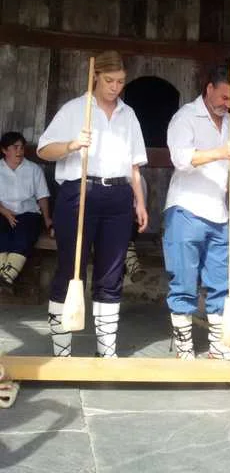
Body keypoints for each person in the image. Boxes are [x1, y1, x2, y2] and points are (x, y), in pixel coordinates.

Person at [37, 50, 148, 358]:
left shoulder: (128, 114)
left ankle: (106, 353)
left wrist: (139, 202)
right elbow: (44, 149)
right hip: (79, 192)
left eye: (120, 81)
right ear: (95, 76)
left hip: (118, 196)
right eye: (109, 80)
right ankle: (62, 352)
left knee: (111, 274)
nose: (115, 87)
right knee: (70, 269)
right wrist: (72, 144)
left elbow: (134, 165)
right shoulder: (75, 109)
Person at [163, 63, 230, 361]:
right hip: (186, 207)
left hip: (218, 211)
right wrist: (221, 151)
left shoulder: (229, 121)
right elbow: (181, 159)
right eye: (224, 97)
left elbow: (228, 168)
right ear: (209, 88)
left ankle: (218, 344)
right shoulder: (185, 117)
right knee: (184, 280)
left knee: (222, 281)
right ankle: (184, 346)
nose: (228, 104)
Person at [0, 131, 52, 292]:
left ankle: (5, 277)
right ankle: (6, 278)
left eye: (22, 147)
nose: (19, 151)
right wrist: (4, 211)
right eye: (15, 147)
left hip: (28, 213)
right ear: (4, 150)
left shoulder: (33, 169)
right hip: (2, 211)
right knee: (2, 234)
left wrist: (47, 219)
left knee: (24, 236)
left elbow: (42, 196)